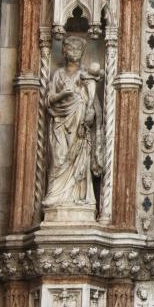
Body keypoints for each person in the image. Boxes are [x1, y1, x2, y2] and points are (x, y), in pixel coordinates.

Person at [42, 35, 104, 214]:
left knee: (78, 161)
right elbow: (48, 100)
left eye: (78, 50)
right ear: (63, 51)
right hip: (60, 125)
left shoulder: (84, 77)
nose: (74, 52)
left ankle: (78, 198)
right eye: (70, 49)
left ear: (82, 53)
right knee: (58, 158)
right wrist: (63, 95)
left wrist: (91, 114)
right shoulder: (58, 75)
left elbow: (93, 104)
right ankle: (55, 199)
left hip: (79, 130)